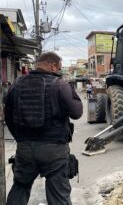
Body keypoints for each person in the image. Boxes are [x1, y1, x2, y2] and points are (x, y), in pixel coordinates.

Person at [5, 52, 83, 205]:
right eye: (59, 68)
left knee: (20, 188)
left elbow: (8, 117)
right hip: (54, 151)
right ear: (52, 66)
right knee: (58, 196)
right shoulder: (60, 84)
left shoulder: (16, 84)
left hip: (25, 148)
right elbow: (77, 113)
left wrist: (21, 139)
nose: (59, 71)